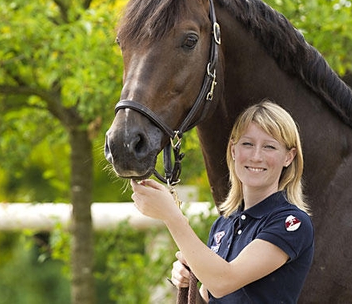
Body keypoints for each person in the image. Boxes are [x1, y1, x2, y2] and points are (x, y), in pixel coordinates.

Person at [131, 100, 314, 303]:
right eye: (247, 144)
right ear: (233, 150)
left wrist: (172, 216)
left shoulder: (292, 222)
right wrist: (189, 277)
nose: (256, 156)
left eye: (269, 147)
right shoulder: (223, 224)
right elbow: (211, 295)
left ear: (289, 157)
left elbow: (224, 281)